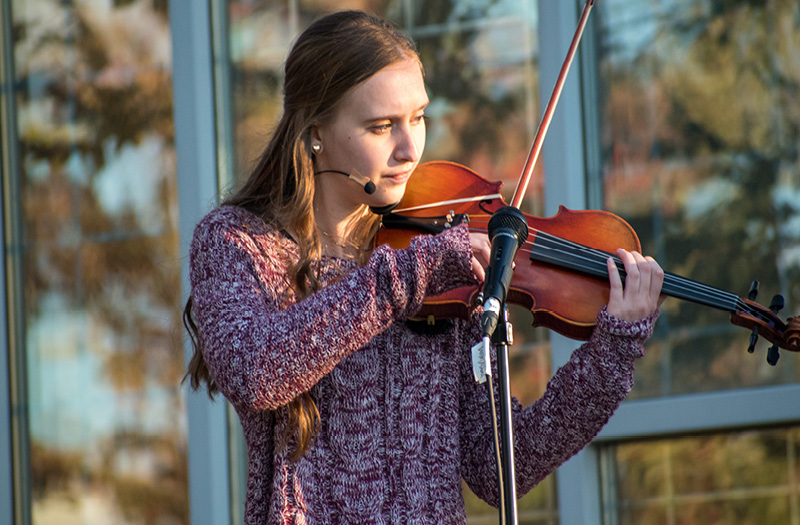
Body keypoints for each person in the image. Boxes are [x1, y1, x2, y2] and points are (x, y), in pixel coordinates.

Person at [183, 9, 664, 525]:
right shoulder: (238, 242)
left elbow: (501, 467)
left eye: (419, 118)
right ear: (315, 129)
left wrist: (611, 353)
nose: (410, 149)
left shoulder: (436, 256)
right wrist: (410, 275)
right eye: (381, 126)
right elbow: (255, 371)